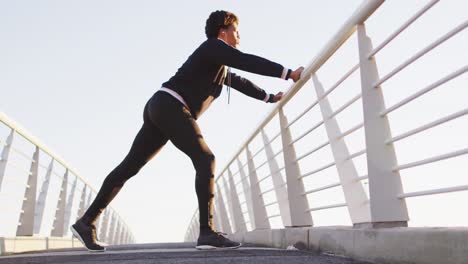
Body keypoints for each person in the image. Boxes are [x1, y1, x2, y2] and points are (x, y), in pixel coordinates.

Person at [71, 10, 304, 252]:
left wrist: (269, 97)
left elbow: (240, 82)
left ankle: (86, 222)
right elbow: (246, 60)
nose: (239, 35)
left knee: (130, 166)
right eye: (236, 30)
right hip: (172, 105)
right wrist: (287, 74)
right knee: (206, 159)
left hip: (160, 106)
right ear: (223, 31)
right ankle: (207, 232)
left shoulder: (217, 64)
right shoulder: (212, 46)